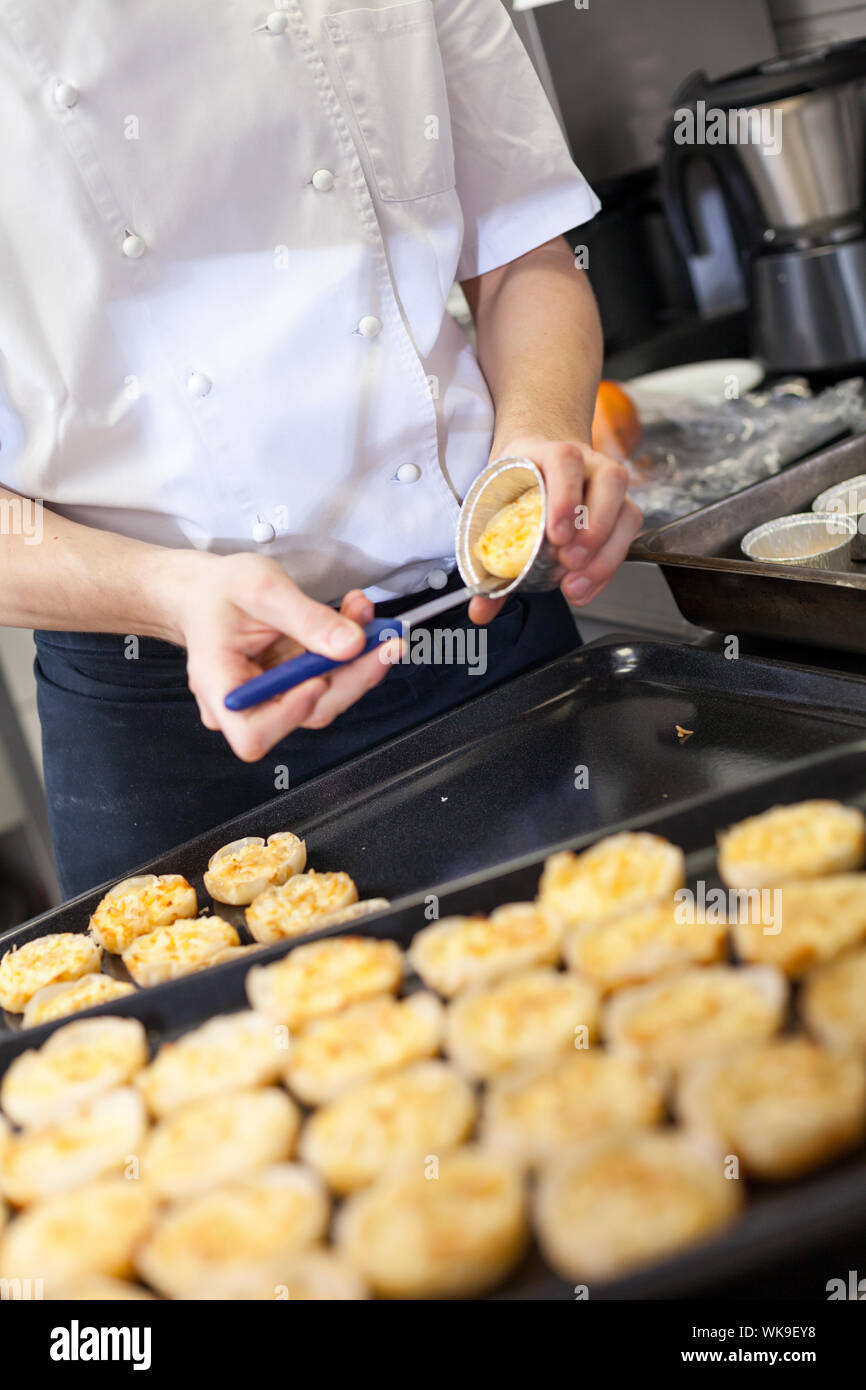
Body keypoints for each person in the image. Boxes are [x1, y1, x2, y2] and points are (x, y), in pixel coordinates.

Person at [0, 0, 641, 898]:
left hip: (487, 627)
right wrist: (168, 597)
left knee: (605, 999)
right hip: (178, 709)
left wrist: (539, 439)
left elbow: (520, 253)